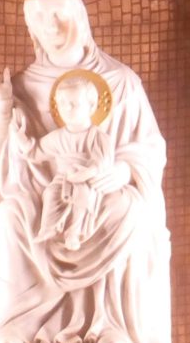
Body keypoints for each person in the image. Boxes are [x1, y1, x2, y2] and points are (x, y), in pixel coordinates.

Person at [0, 0, 172, 343]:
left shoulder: (122, 83)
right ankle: (17, 322)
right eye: (39, 18)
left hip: (101, 198)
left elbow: (150, 149)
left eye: (59, 14)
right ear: (30, 28)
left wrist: (122, 171)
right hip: (38, 204)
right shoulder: (18, 87)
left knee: (130, 212)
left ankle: (109, 325)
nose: (51, 26)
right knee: (6, 220)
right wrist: (0, 105)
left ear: (80, 16)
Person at [9, 74, 115, 253]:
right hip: (63, 178)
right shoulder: (57, 138)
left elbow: (103, 160)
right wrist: (22, 140)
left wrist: (88, 172)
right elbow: (37, 152)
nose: (67, 109)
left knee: (82, 196)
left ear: (91, 106)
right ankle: (48, 228)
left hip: (87, 180)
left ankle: (74, 232)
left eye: (74, 104)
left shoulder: (97, 137)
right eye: (62, 104)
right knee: (50, 193)